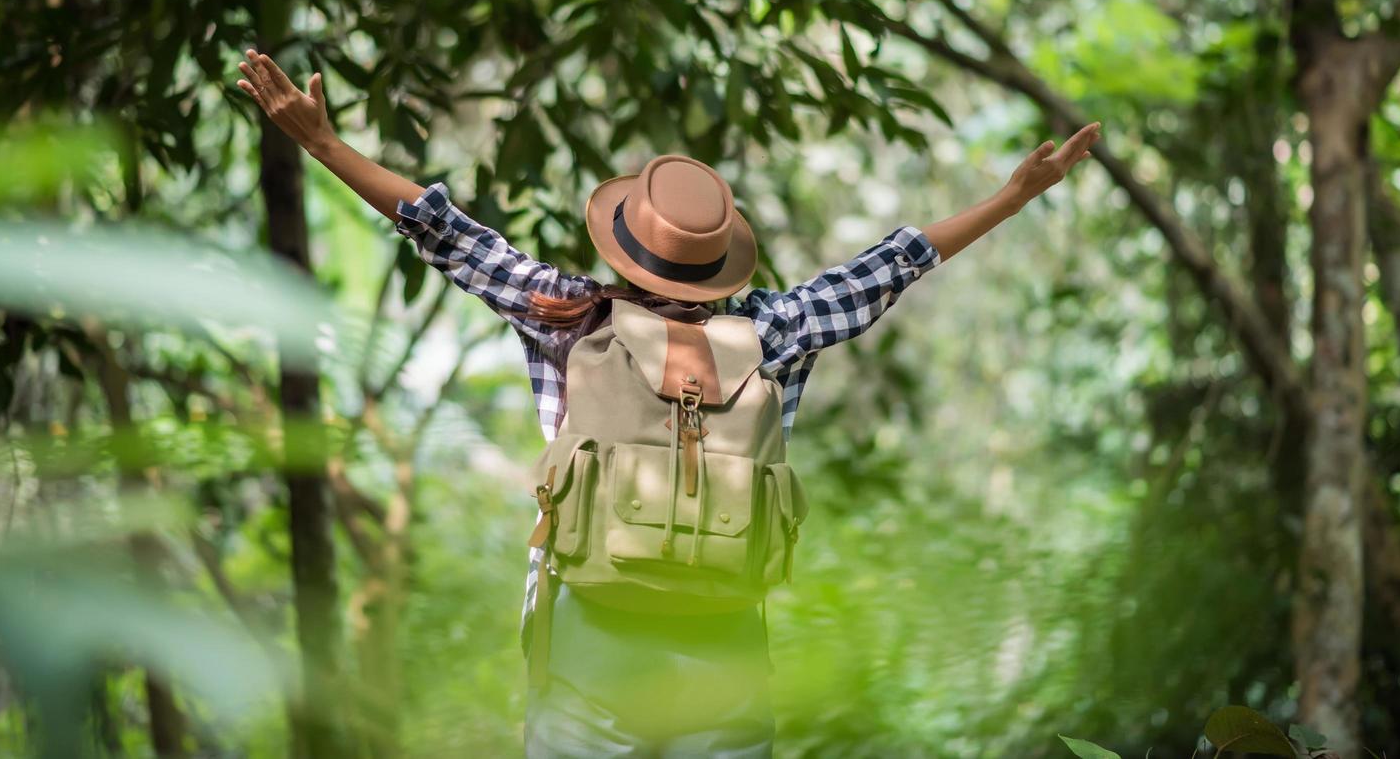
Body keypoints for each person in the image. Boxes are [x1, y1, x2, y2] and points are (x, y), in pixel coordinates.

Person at [235, 48, 1101, 757]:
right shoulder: (777, 331)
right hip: (722, 641)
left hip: (587, 640)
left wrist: (321, 144)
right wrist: (1014, 195)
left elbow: (444, 231)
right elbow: (895, 262)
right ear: (722, 259)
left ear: (623, 248)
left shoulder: (568, 318)